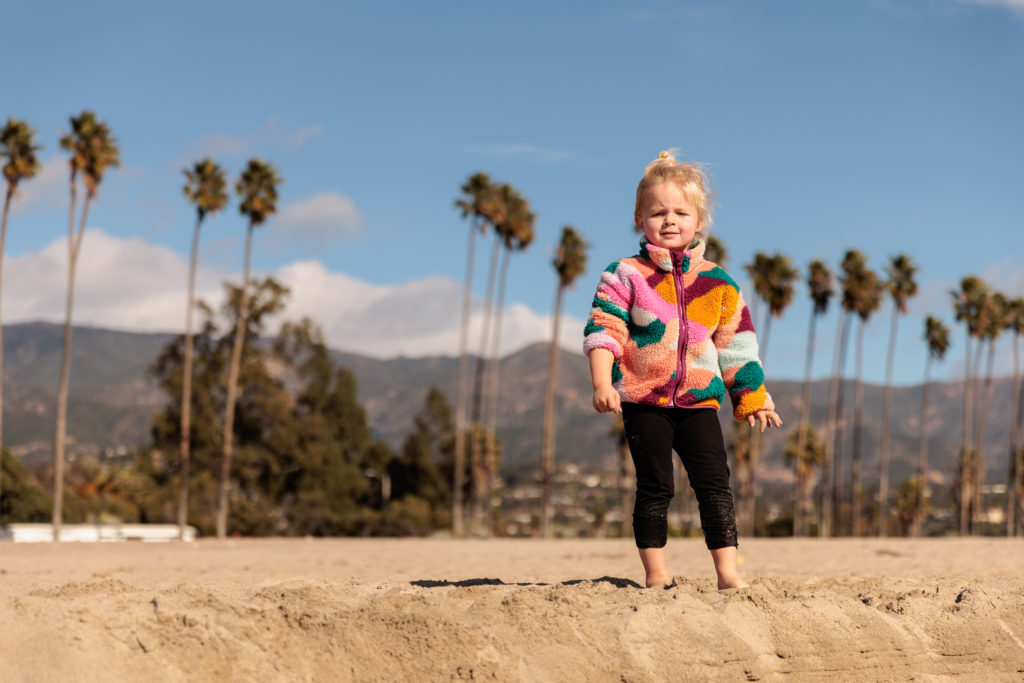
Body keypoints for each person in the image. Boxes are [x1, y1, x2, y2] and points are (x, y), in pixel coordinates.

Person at [583, 150, 781, 590]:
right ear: (639, 218)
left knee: (715, 484)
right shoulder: (626, 274)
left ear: (699, 220)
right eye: (657, 212)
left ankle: (728, 573)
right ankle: (657, 574)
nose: (669, 221)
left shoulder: (719, 283)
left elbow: (736, 347)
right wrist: (602, 382)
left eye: (680, 212)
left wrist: (751, 396)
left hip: (699, 401)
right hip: (644, 400)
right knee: (656, 486)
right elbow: (604, 329)